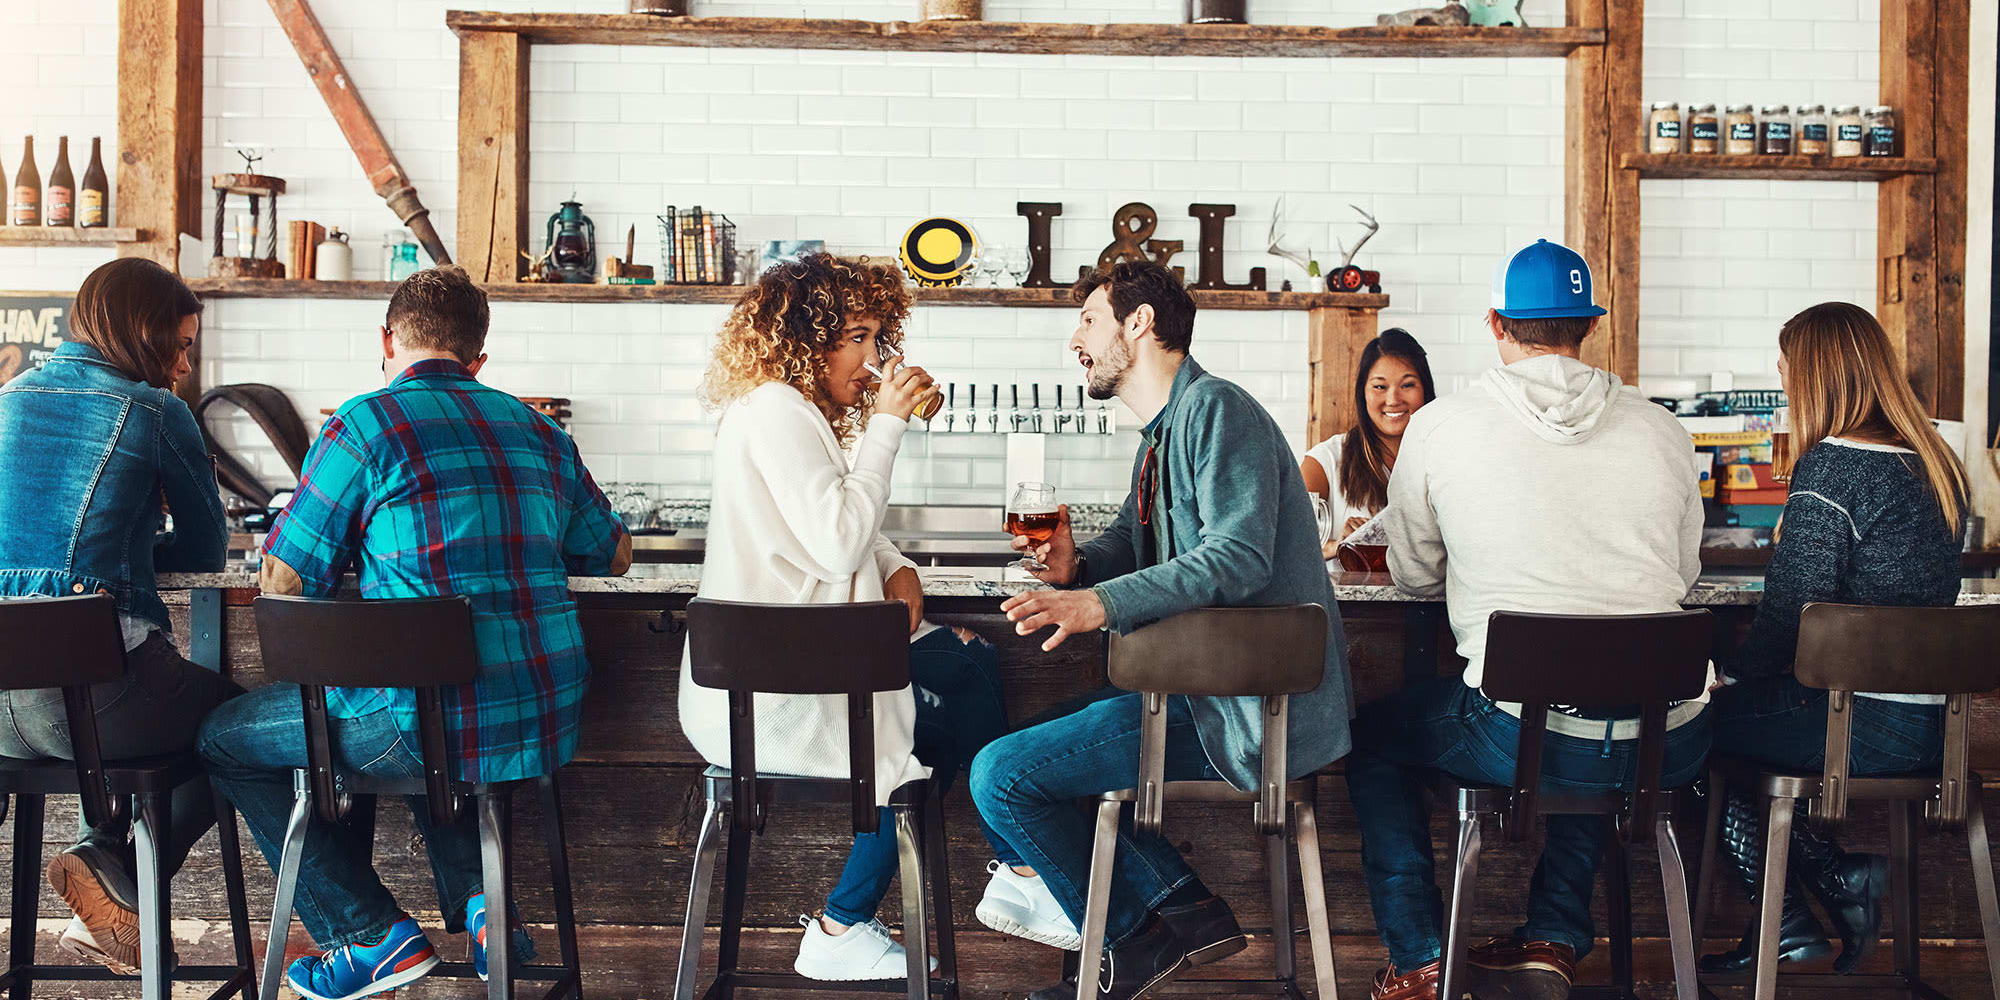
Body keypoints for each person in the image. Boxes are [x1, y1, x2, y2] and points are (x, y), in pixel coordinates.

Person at [197, 266, 632, 1000]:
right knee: (422, 718)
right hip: (540, 713)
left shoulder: (364, 424)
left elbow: (285, 579)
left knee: (228, 738)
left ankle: (369, 934)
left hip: (425, 719)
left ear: (386, 339)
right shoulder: (538, 429)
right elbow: (614, 555)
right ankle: (485, 908)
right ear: (479, 359)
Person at [972, 259, 1353, 1000]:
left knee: (1002, 776)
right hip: (1200, 698)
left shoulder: (1217, 410)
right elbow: (1126, 540)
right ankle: (1182, 908)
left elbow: (1239, 557)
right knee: (1028, 745)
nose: (1074, 339)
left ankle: (1134, 940)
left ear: (1138, 323)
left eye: (1088, 318)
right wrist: (1076, 566)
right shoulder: (1160, 434)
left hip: (1249, 717)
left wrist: (1099, 604)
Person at [1355, 239, 1711, 1000]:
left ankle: (1420, 960)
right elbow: (1683, 579)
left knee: (1373, 742)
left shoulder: (1441, 426)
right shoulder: (1662, 428)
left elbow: (1413, 573)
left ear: (1495, 323)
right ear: (1588, 324)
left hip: (1519, 732)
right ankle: (1552, 933)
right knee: (1602, 694)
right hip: (1667, 739)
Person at [684, 252, 1014, 982]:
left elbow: (820, 512)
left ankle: (851, 920)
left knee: (957, 676)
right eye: (857, 338)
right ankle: (1007, 874)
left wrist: (894, 560)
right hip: (778, 702)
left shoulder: (785, 410)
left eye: (876, 338)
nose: (873, 360)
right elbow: (835, 540)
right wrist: (889, 426)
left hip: (775, 681)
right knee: (956, 688)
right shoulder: (779, 409)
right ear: (805, 339)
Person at [1699, 302, 1970, 976]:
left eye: (1787, 371)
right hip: (1936, 730)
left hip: (1856, 723)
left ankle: (1794, 917)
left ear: (1814, 379)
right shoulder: (1938, 464)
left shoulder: (1833, 468)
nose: (1784, 383)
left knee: (1686, 733)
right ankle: (1836, 883)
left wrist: (1727, 677)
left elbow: (1791, 616)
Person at [0, 258, 241, 974]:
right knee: (241, 729)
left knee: (119, 733)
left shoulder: (5, 399)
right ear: (147, 333)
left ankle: (103, 899)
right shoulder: (153, 410)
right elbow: (205, 547)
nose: (187, 362)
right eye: (183, 343)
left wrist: (122, 533)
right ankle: (104, 858)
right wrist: (141, 537)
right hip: (95, 700)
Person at [1299, 328, 1437, 557]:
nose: (1393, 400)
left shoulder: (1446, 457)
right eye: (1380, 387)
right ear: (1362, 393)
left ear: (1425, 391)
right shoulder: (1325, 461)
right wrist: (1338, 545)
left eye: (1407, 385)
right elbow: (1286, 545)